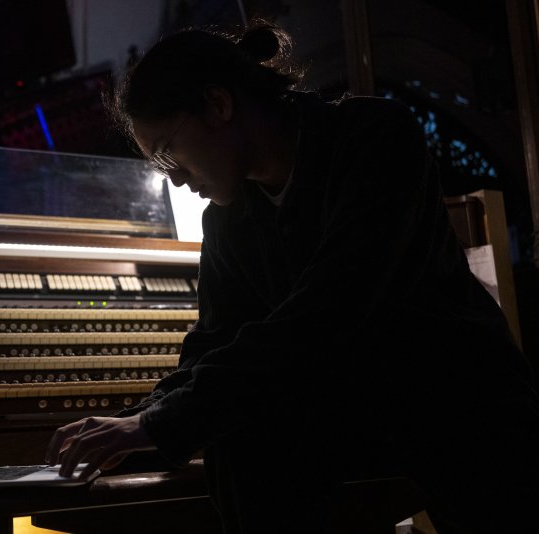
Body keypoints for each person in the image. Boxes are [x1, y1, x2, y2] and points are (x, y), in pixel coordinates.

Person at [45, 18, 539, 533]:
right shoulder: (228, 217)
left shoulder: (375, 137)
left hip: (455, 400)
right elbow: (213, 345)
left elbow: (326, 314)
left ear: (218, 104)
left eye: (168, 154)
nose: (174, 178)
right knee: (240, 443)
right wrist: (132, 426)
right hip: (350, 411)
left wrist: (157, 425)